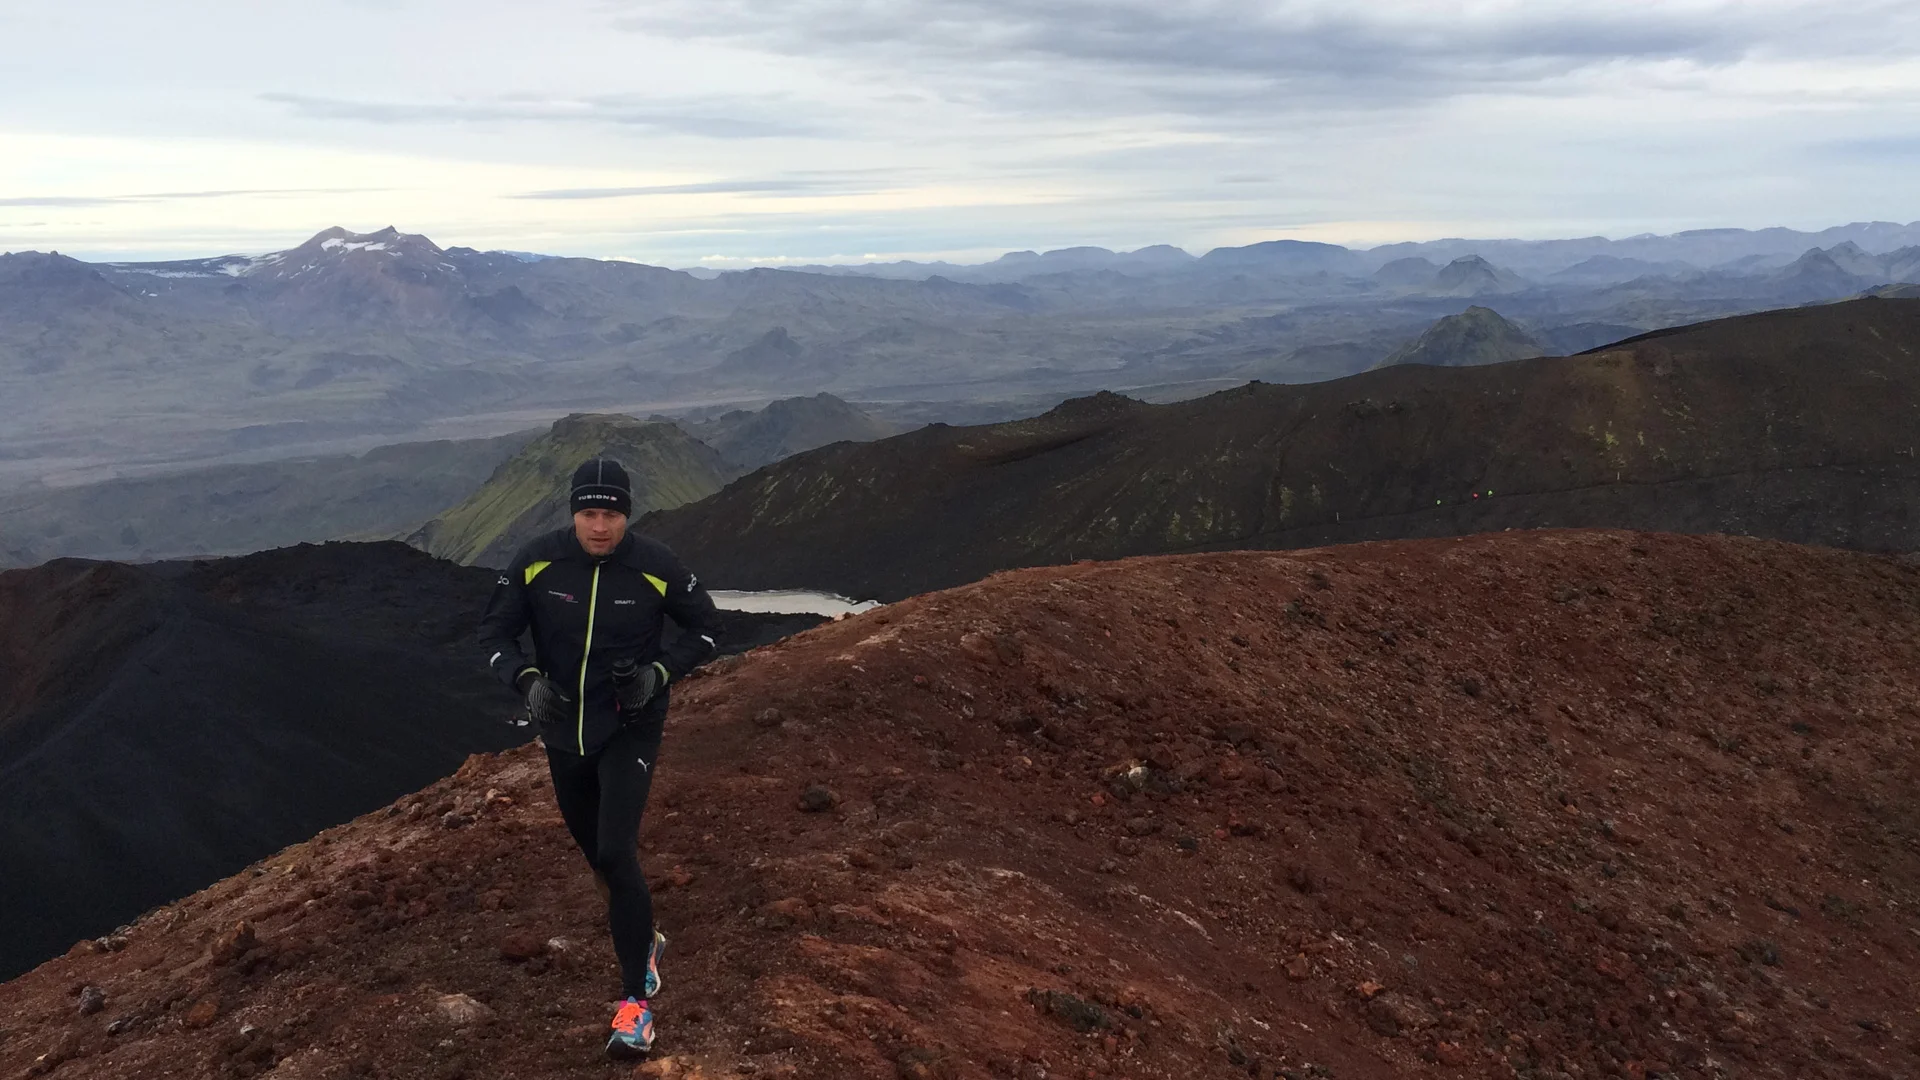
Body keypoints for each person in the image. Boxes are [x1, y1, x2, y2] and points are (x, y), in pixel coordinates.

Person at [478, 457, 719, 1059]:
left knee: (616, 850)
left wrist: (658, 674)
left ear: (626, 515)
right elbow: (494, 636)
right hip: (563, 731)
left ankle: (634, 1004)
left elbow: (708, 630)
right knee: (599, 860)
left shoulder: (657, 565)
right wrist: (525, 679)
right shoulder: (537, 559)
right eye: (589, 513)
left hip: (629, 727)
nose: (600, 525)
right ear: (573, 513)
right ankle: (647, 940)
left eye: (611, 513)